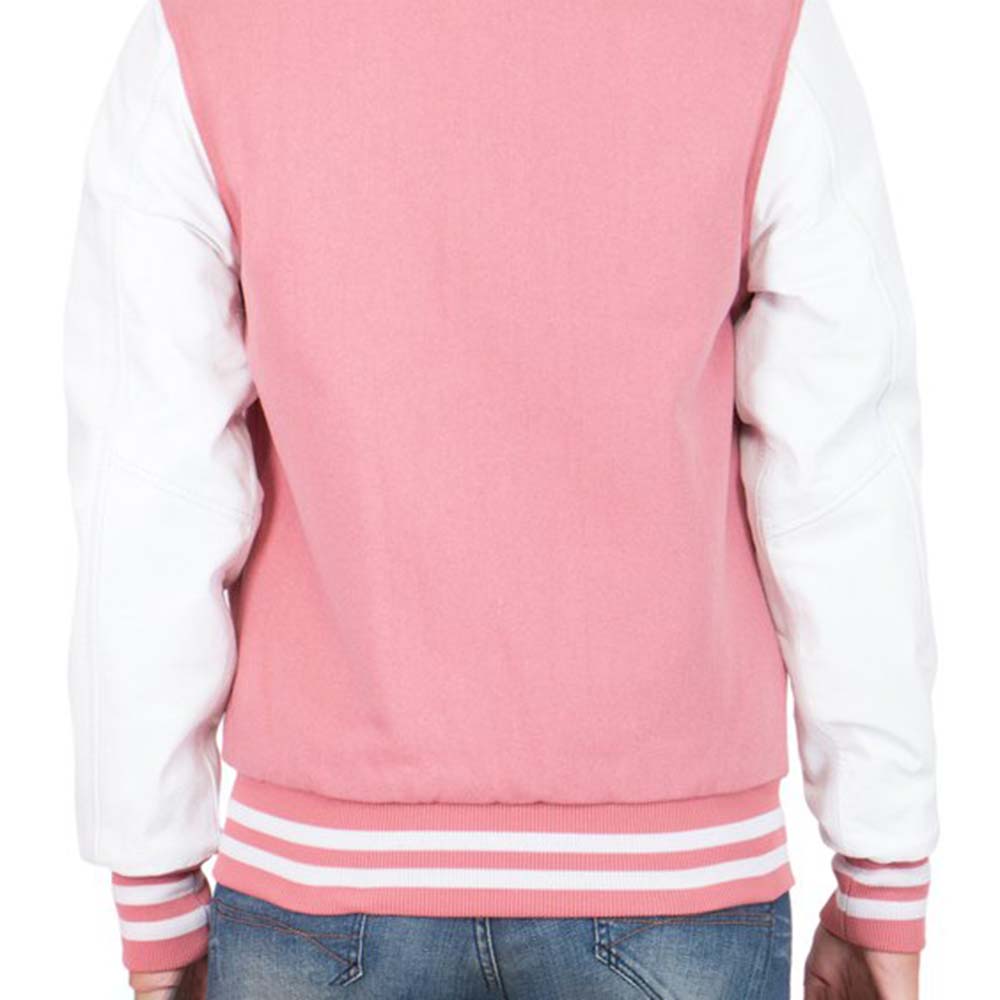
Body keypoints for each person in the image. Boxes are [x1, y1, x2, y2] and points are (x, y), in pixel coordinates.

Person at [64, 0, 938, 997]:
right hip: (672, 880)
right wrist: (881, 870)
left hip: (323, 879)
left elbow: (148, 490)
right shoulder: (762, 24)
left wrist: (156, 887)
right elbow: (840, 469)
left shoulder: (204, 30)